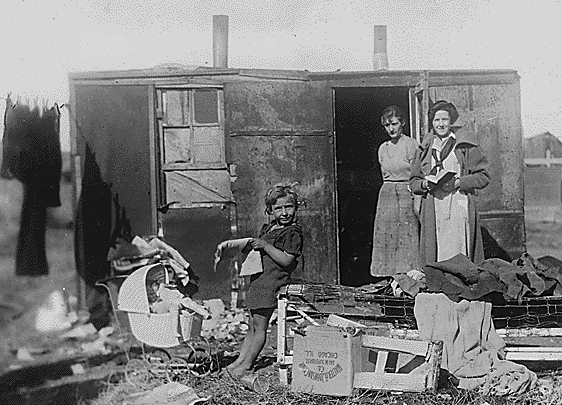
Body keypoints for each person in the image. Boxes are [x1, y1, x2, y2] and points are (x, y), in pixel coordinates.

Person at [226, 184, 304, 377]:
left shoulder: (292, 232)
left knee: (260, 326)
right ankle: (240, 361)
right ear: (270, 210)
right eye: (278, 208)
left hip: (272, 282)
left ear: (296, 207)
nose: (284, 212)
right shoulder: (270, 228)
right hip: (259, 280)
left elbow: (287, 260)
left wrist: (266, 246)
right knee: (252, 324)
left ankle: (247, 365)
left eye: (289, 207)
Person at [409, 100, 490, 265]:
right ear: (432, 123)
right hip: (435, 207)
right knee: (438, 251)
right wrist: (425, 185)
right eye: (436, 120)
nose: (440, 124)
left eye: (444, 119)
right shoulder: (425, 148)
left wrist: (458, 182)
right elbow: (414, 181)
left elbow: (483, 177)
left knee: (458, 249)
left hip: (459, 206)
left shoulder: (464, 145)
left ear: (451, 121)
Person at [370, 106, 421, 276]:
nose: (391, 129)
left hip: (407, 193)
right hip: (387, 195)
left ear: (403, 123)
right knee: (387, 237)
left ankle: (408, 275)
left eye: (394, 123)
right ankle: (386, 277)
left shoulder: (412, 145)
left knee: (407, 235)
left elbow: (418, 173)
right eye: (386, 125)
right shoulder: (382, 148)